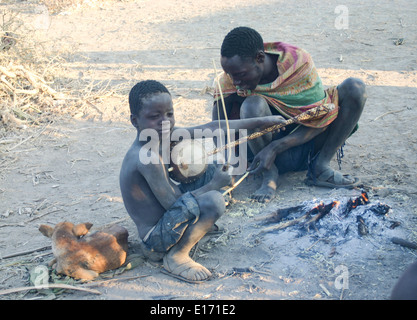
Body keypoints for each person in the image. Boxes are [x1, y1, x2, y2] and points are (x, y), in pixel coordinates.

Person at [119, 80, 286, 282]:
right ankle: (177, 255)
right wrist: (214, 185)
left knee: (211, 167)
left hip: (169, 218)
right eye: (155, 117)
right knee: (215, 200)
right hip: (155, 240)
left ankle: (194, 229)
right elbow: (174, 205)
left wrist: (261, 121)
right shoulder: (147, 157)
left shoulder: (161, 136)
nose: (166, 122)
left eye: (169, 114)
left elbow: (212, 127)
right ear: (135, 121)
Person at [213, 26, 367, 202]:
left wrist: (275, 147)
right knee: (251, 105)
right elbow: (218, 127)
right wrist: (226, 171)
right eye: (229, 74)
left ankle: (321, 167)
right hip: (258, 156)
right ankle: (269, 174)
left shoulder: (297, 63)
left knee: (355, 88)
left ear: (260, 58)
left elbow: (321, 119)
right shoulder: (231, 77)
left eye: (240, 75)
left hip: (305, 146)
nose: (235, 82)